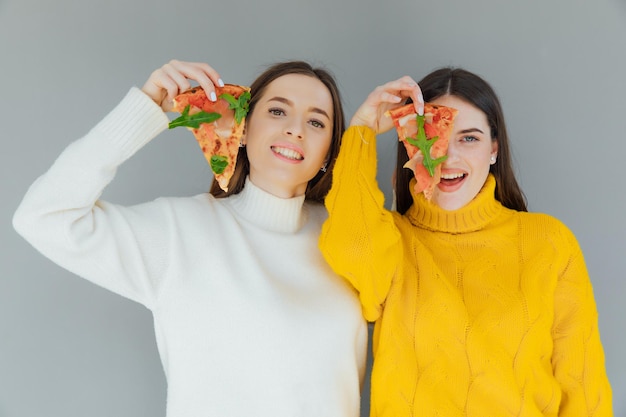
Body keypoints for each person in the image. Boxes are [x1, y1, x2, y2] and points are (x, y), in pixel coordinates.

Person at [13, 59, 367, 417]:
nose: (296, 130)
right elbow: (43, 216)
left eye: (316, 121)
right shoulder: (182, 232)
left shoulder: (352, 237)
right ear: (242, 128)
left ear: (329, 152)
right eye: (277, 111)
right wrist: (147, 107)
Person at [320, 68, 613, 416]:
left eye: (469, 138)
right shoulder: (392, 241)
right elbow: (352, 247)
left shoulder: (549, 242)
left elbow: (583, 388)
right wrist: (362, 130)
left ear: (494, 149)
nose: (448, 156)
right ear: (411, 145)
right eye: (432, 137)